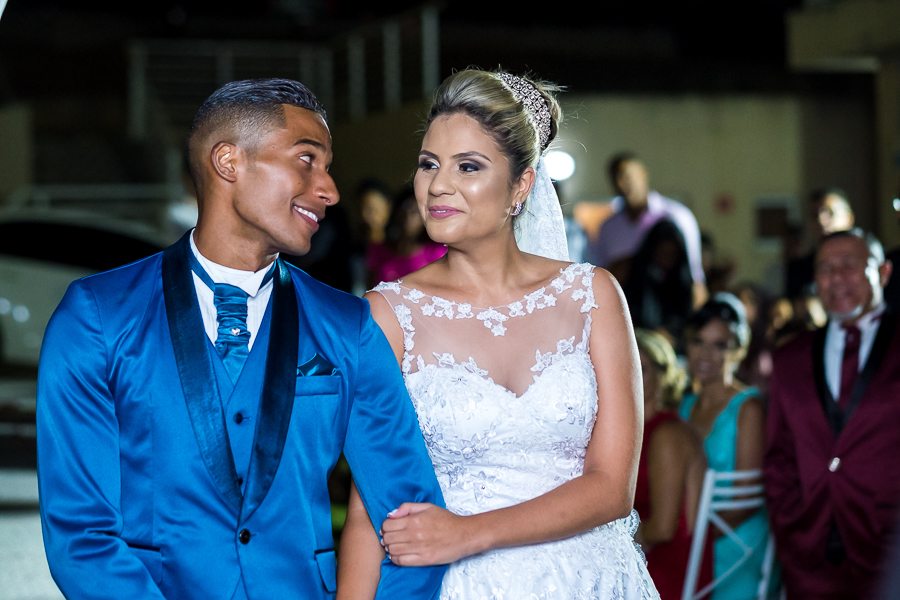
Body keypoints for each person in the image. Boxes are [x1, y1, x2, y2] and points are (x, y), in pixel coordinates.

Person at [36, 79, 446, 600]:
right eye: (307, 160)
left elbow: (412, 516)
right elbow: (82, 533)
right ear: (228, 162)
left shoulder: (350, 327)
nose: (330, 190)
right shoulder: (96, 317)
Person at [339, 68, 658, 599]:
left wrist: (469, 533)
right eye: (428, 165)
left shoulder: (593, 295)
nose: (438, 185)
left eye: (468, 167)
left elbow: (612, 487)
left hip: (594, 580)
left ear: (521, 185)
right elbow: (368, 509)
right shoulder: (387, 314)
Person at [765, 228, 900, 599]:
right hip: (810, 554)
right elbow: (778, 455)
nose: (836, 278)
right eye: (825, 269)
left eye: (849, 265)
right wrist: (790, 525)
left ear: (883, 273)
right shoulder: (789, 358)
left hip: (890, 553)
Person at [679, 293, 770, 599]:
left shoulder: (748, 407)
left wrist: (692, 539)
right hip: (688, 533)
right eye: (697, 341)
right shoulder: (684, 405)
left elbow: (747, 499)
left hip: (734, 541)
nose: (705, 354)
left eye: (719, 345)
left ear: (739, 350)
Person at [634, 329, 712, 600]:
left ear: (663, 375)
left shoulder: (666, 434)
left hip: (664, 572)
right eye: (624, 363)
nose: (628, 374)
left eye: (640, 368)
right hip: (643, 559)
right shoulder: (634, 432)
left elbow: (663, 529)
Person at [588, 152, 706, 307]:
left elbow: (694, 276)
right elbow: (602, 277)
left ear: (643, 174)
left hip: (669, 313)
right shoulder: (608, 228)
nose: (622, 184)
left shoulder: (677, 217)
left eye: (627, 176)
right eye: (615, 178)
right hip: (626, 314)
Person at [622, 219, 694, 351]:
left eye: (672, 254)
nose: (667, 259)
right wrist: (652, 332)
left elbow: (685, 316)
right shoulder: (636, 276)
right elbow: (629, 314)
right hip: (639, 344)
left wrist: (671, 332)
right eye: (663, 252)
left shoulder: (682, 278)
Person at [365, 186, 447, 287]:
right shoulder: (377, 251)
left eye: (416, 210)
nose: (408, 214)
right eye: (405, 206)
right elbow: (368, 292)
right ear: (396, 211)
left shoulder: (437, 254)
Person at [784, 187, 855, 301]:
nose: (821, 220)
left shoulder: (868, 260)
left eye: (830, 213)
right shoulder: (798, 269)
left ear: (849, 218)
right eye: (814, 215)